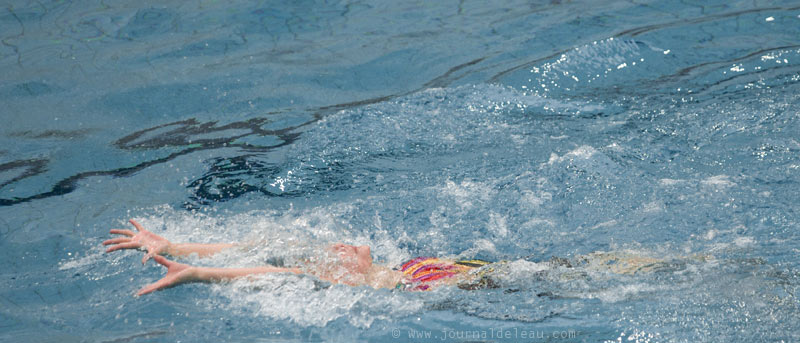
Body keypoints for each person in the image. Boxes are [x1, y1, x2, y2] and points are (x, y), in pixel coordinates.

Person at [105, 219, 688, 296]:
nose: (342, 244)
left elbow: (261, 241)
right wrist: (198, 272)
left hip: (484, 274)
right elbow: (267, 267)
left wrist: (174, 243)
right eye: (336, 253)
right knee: (621, 272)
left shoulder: (389, 268)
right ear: (337, 272)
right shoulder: (374, 287)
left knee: (622, 260)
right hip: (492, 287)